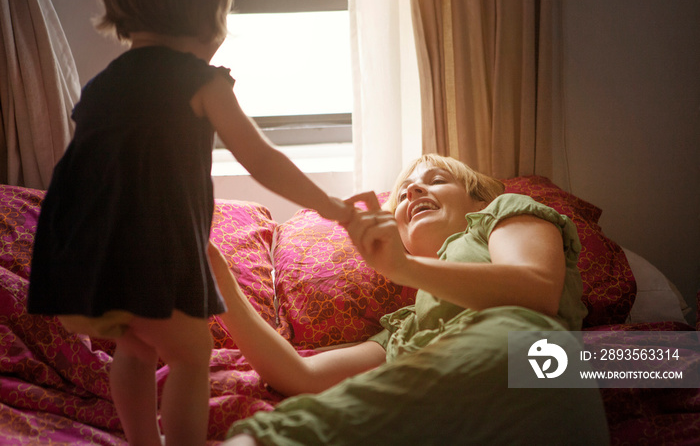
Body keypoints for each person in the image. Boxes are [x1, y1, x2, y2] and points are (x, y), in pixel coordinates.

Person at [27, 0, 352, 445]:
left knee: (135, 347)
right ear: (206, 15)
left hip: (86, 254)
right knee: (191, 353)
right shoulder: (201, 81)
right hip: (154, 250)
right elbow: (260, 160)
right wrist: (332, 206)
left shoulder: (103, 84)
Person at [211, 154, 610, 445]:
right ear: (400, 234)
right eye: (403, 195)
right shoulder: (407, 325)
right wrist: (218, 281)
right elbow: (301, 376)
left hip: (535, 386)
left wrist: (403, 268)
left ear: (477, 199)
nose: (415, 190)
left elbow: (536, 290)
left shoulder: (500, 215)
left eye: (436, 180)